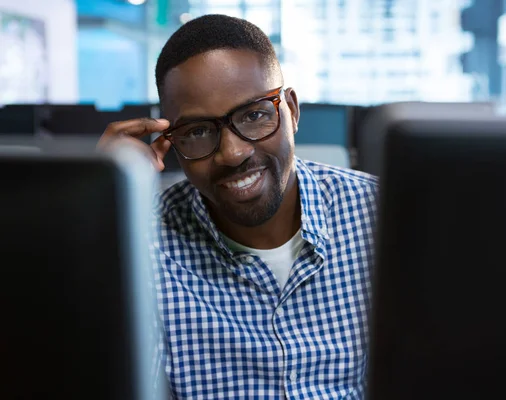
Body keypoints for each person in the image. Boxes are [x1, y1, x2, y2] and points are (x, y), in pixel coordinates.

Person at [98, 14, 378, 399]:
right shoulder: (140, 243)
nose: (233, 153)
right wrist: (101, 208)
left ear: (291, 111)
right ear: (171, 142)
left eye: (255, 115)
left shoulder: (380, 217)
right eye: (198, 131)